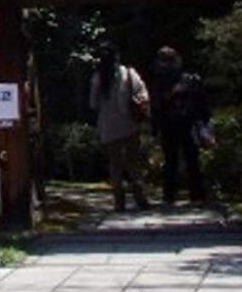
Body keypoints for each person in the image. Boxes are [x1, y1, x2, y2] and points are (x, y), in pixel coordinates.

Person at [90, 49, 153, 212]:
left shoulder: (98, 78)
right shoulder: (129, 73)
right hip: (130, 124)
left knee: (115, 165)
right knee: (133, 163)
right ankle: (141, 198)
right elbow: (143, 94)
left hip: (108, 127)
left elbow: (93, 104)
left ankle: (119, 202)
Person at [154, 45, 212, 205]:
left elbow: (159, 103)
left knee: (179, 159)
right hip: (180, 122)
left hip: (179, 122)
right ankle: (190, 195)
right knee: (185, 159)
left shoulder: (187, 79)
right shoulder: (174, 79)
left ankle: (178, 195)